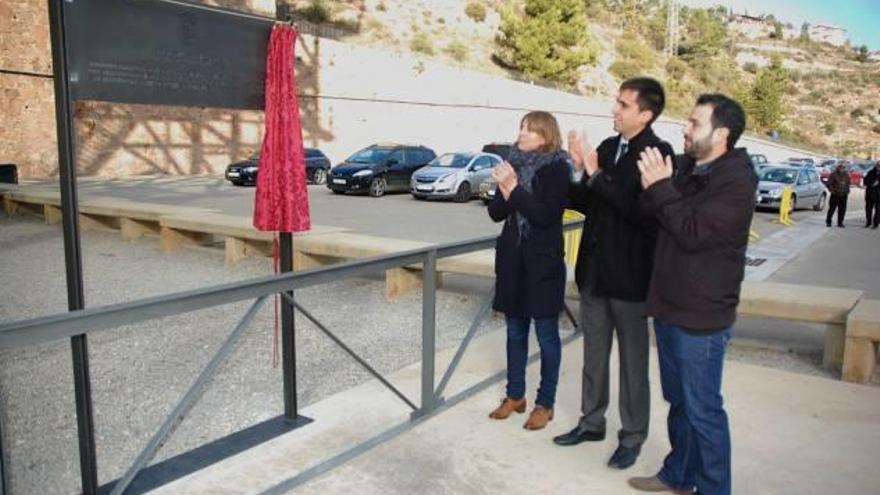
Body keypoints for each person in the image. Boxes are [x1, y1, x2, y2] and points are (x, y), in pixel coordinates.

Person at [628, 94, 756, 495]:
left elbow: (694, 233)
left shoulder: (736, 181)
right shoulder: (686, 168)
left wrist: (662, 188)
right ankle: (679, 476)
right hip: (668, 305)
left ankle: (715, 489)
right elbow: (653, 216)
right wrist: (655, 187)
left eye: (693, 122)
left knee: (704, 411)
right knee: (680, 402)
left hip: (702, 315)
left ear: (720, 134)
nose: (684, 128)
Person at [553, 77, 674, 471]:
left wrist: (596, 174)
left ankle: (633, 436)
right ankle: (591, 422)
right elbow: (588, 202)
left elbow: (642, 212)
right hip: (594, 275)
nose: (614, 110)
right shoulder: (606, 148)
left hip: (632, 281)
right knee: (593, 356)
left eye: (623, 105)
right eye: (616, 103)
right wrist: (576, 170)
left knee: (633, 365)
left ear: (645, 113)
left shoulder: (658, 154)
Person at [487, 111, 570, 430]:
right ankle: (515, 396)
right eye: (521, 127)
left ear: (546, 136)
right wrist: (508, 188)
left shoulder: (557, 169)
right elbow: (496, 212)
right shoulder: (513, 164)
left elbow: (546, 216)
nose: (521, 133)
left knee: (547, 336)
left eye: (529, 129)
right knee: (514, 332)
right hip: (512, 261)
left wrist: (514, 189)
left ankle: (545, 403)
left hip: (542, 264)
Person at [826, 162, 851, 227]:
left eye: (843, 167)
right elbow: (829, 184)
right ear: (838, 167)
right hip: (835, 195)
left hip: (844, 195)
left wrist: (847, 191)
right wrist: (832, 191)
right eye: (840, 167)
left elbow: (848, 184)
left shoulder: (847, 175)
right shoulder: (833, 174)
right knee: (832, 209)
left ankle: (840, 222)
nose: (842, 168)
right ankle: (828, 222)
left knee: (842, 210)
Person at [863, 160, 880, 229]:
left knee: (878, 211)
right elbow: (865, 181)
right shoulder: (870, 172)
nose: (878, 166)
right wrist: (872, 184)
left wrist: (878, 183)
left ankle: (876, 223)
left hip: (879, 195)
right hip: (870, 194)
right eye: (878, 165)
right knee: (868, 210)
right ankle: (868, 222)